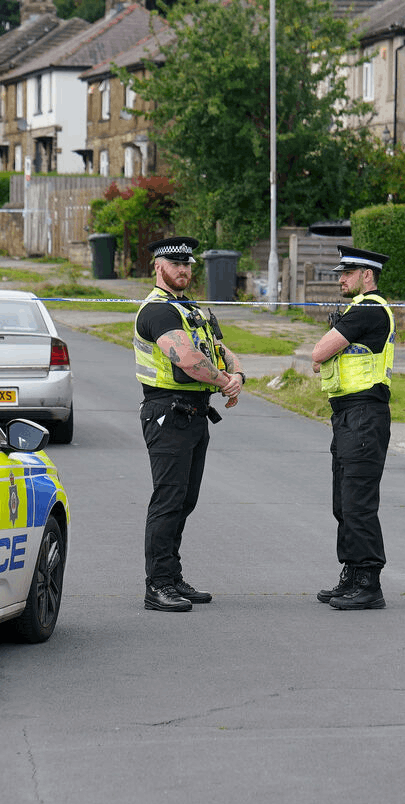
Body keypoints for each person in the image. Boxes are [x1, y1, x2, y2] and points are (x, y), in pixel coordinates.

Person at [133, 235, 244, 612]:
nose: (183, 270)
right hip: (167, 413)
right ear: (158, 267)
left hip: (194, 413)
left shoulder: (190, 309)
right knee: (167, 499)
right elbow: (187, 359)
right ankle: (158, 584)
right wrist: (224, 381)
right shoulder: (159, 312)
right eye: (176, 264)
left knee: (185, 499)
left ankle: (173, 575)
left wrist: (238, 374)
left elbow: (221, 351)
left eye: (188, 265)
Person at [310, 245, 396, 611]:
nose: (341, 279)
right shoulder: (357, 310)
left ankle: (368, 581)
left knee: (358, 502)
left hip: (364, 414)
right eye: (340, 273)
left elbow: (318, 353)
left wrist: (327, 345)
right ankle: (351, 573)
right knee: (343, 502)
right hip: (347, 413)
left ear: (368, 275)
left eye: (348, 273)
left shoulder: (368, 309)